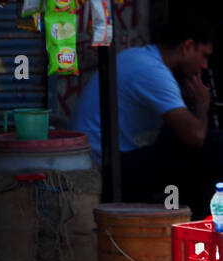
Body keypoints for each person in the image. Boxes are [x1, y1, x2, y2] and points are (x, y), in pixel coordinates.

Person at [70, 11, 217, 215]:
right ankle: (202, 220)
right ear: (188, 47)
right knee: (212, 146)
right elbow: (196, 136)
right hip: (103, 163)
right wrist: (202, 104)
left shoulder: (140, 57)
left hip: (103, 155)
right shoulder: (153, 72)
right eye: (204, 56)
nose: (204, 65)